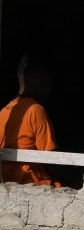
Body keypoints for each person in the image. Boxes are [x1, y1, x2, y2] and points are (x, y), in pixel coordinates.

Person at [0, 56, 60, 187]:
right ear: (38, 79)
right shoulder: (36, 111)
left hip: (8, 185)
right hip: (33, 184)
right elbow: (51, 160)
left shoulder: (4, 112)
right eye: (48, 82)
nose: (49, 90)